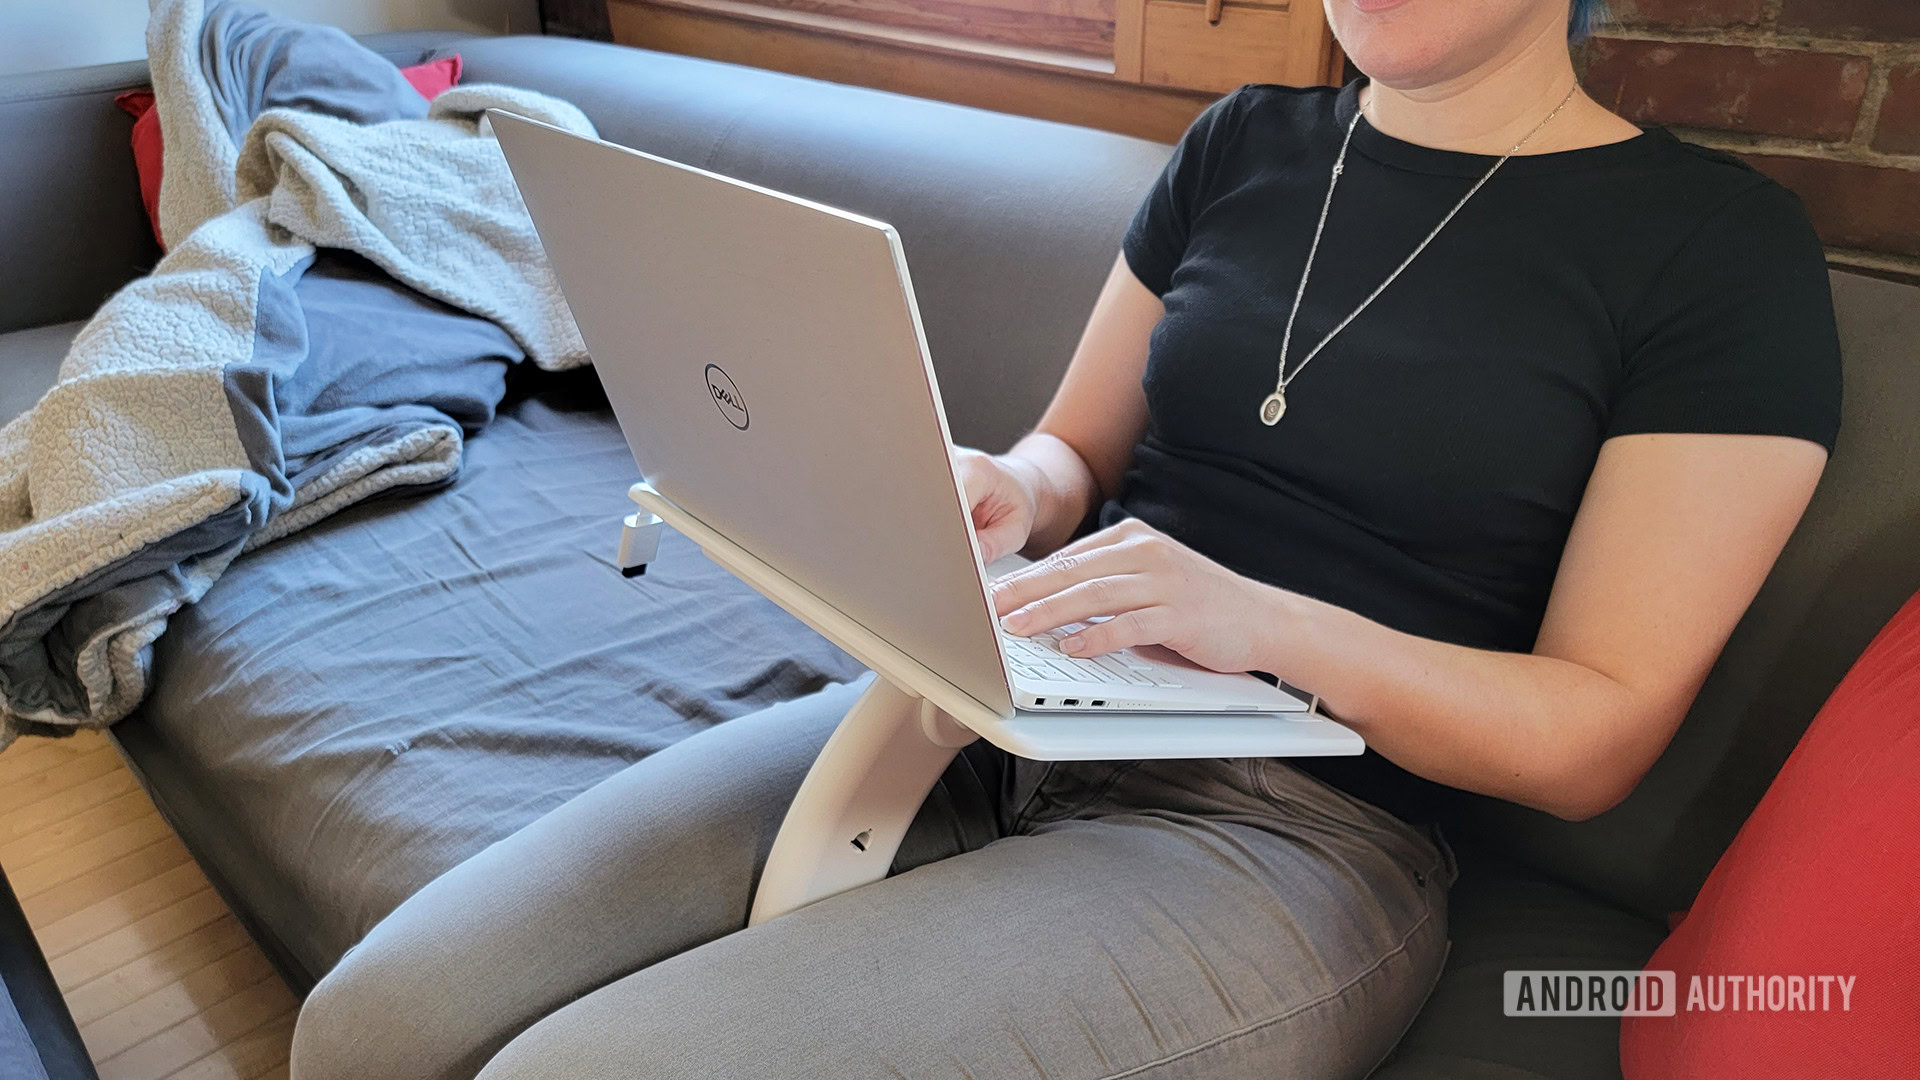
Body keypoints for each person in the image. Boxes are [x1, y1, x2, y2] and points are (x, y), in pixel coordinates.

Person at [289, 0, 1842, 1076]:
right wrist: (1013, 492)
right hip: (1004, 688)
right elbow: (1077, 444)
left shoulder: (1716, 250)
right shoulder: (1245, 143)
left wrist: (1270, 624)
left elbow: (1595, 735)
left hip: (1291, 839)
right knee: (373, 1031)